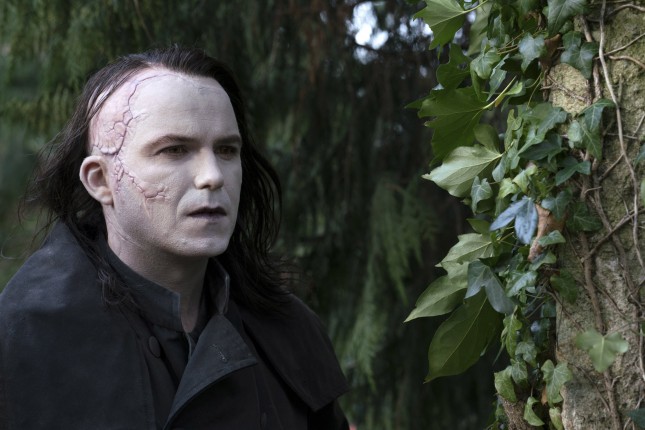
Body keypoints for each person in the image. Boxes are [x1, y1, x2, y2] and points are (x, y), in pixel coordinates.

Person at [0, 46, 349, 429]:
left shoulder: (287, 330)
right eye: (174, 150)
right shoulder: (22, 339)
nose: (212, 176)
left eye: (226, 150)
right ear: (100, 180)